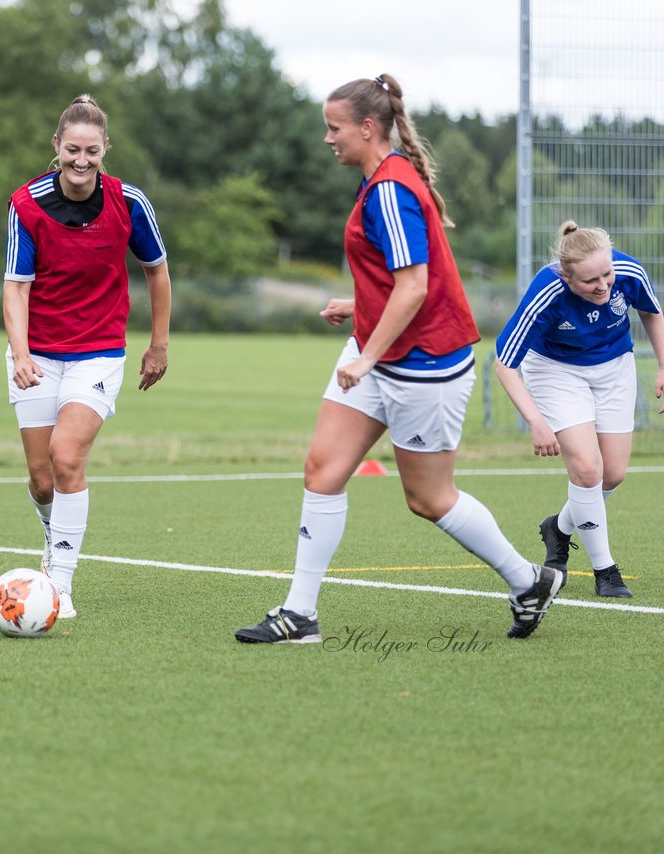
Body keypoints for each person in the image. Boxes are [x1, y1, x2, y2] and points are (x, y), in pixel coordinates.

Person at [235, 74, 563, 644]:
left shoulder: (390, 188)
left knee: (429, 499)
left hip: (424, 366)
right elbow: (395, 282)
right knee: (324, 471)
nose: (327, 139)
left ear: (367, 128)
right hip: (380, 352)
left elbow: (414, 288)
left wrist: (366, 359)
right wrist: (357, 305)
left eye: (333, 129)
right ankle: (301, 614)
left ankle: (527, 580)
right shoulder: (380, 181)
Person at [3, 94, 172, 619]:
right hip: (37, 354)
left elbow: (157, 271)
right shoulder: (26, 203)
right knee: (40, 477)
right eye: (72, 149)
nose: (81, 161)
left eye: (92, 152)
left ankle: (60, 584)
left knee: (67, 455)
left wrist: (158, 343)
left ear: (105, 150)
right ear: (56, 146)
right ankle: (56, 543)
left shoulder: (131, 202)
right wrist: (21, 353)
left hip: (98, 352)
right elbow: (15, 288)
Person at [494, 222, 664, 598]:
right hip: (555, 370)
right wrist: (536, 422)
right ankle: (605, 571)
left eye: (607, 274)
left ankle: (558, 529)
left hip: (614, 367)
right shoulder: (546, 291)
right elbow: (504, 364)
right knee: (589, 470)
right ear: (566, 276)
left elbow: (651, 311)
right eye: (591, 281)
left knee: (613, 474)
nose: (604, 286)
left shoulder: (626, 271)